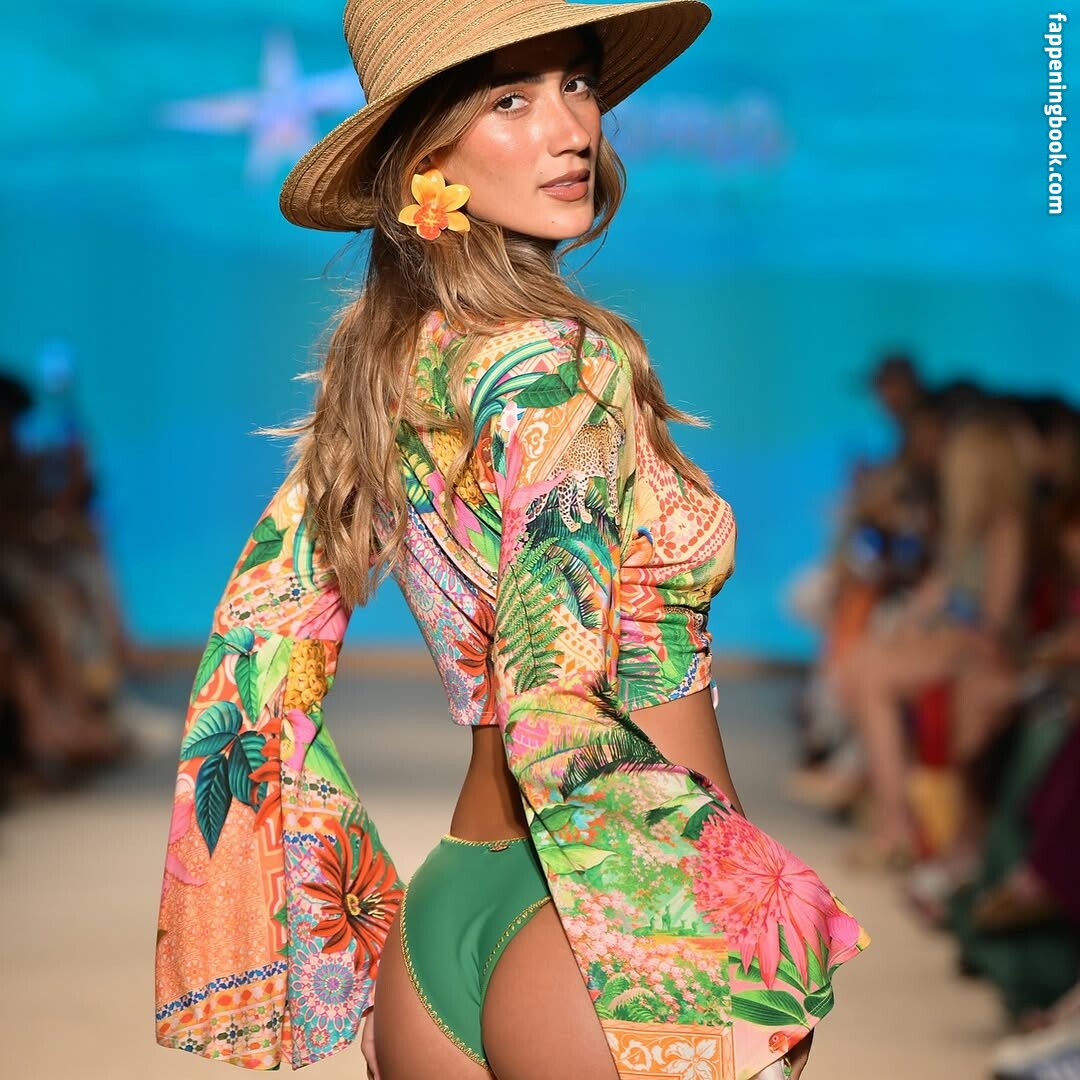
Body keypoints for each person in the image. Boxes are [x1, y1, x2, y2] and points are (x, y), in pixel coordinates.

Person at [154, 2, 868, 1078]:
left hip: (443, 925)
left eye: (576, 83)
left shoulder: (385, 367)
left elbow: (262, 636)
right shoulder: (567, 363)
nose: (572, 128)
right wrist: (738, 904)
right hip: (612, 913)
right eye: (509, 99)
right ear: (424, 157)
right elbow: (551, 675)